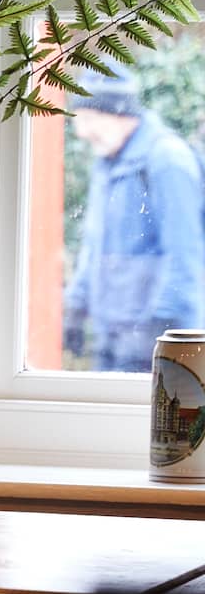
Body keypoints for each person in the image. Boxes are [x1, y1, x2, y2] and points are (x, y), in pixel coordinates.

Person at [63, 69, 205, 373]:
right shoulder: (107, 162)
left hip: (153, 346)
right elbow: (94, 245)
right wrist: (75, 304)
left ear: (116, 112)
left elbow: (186, 254)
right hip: (112, 339)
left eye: (87, 120)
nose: (82, 132)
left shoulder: (167, 160)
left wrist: (165, 330)